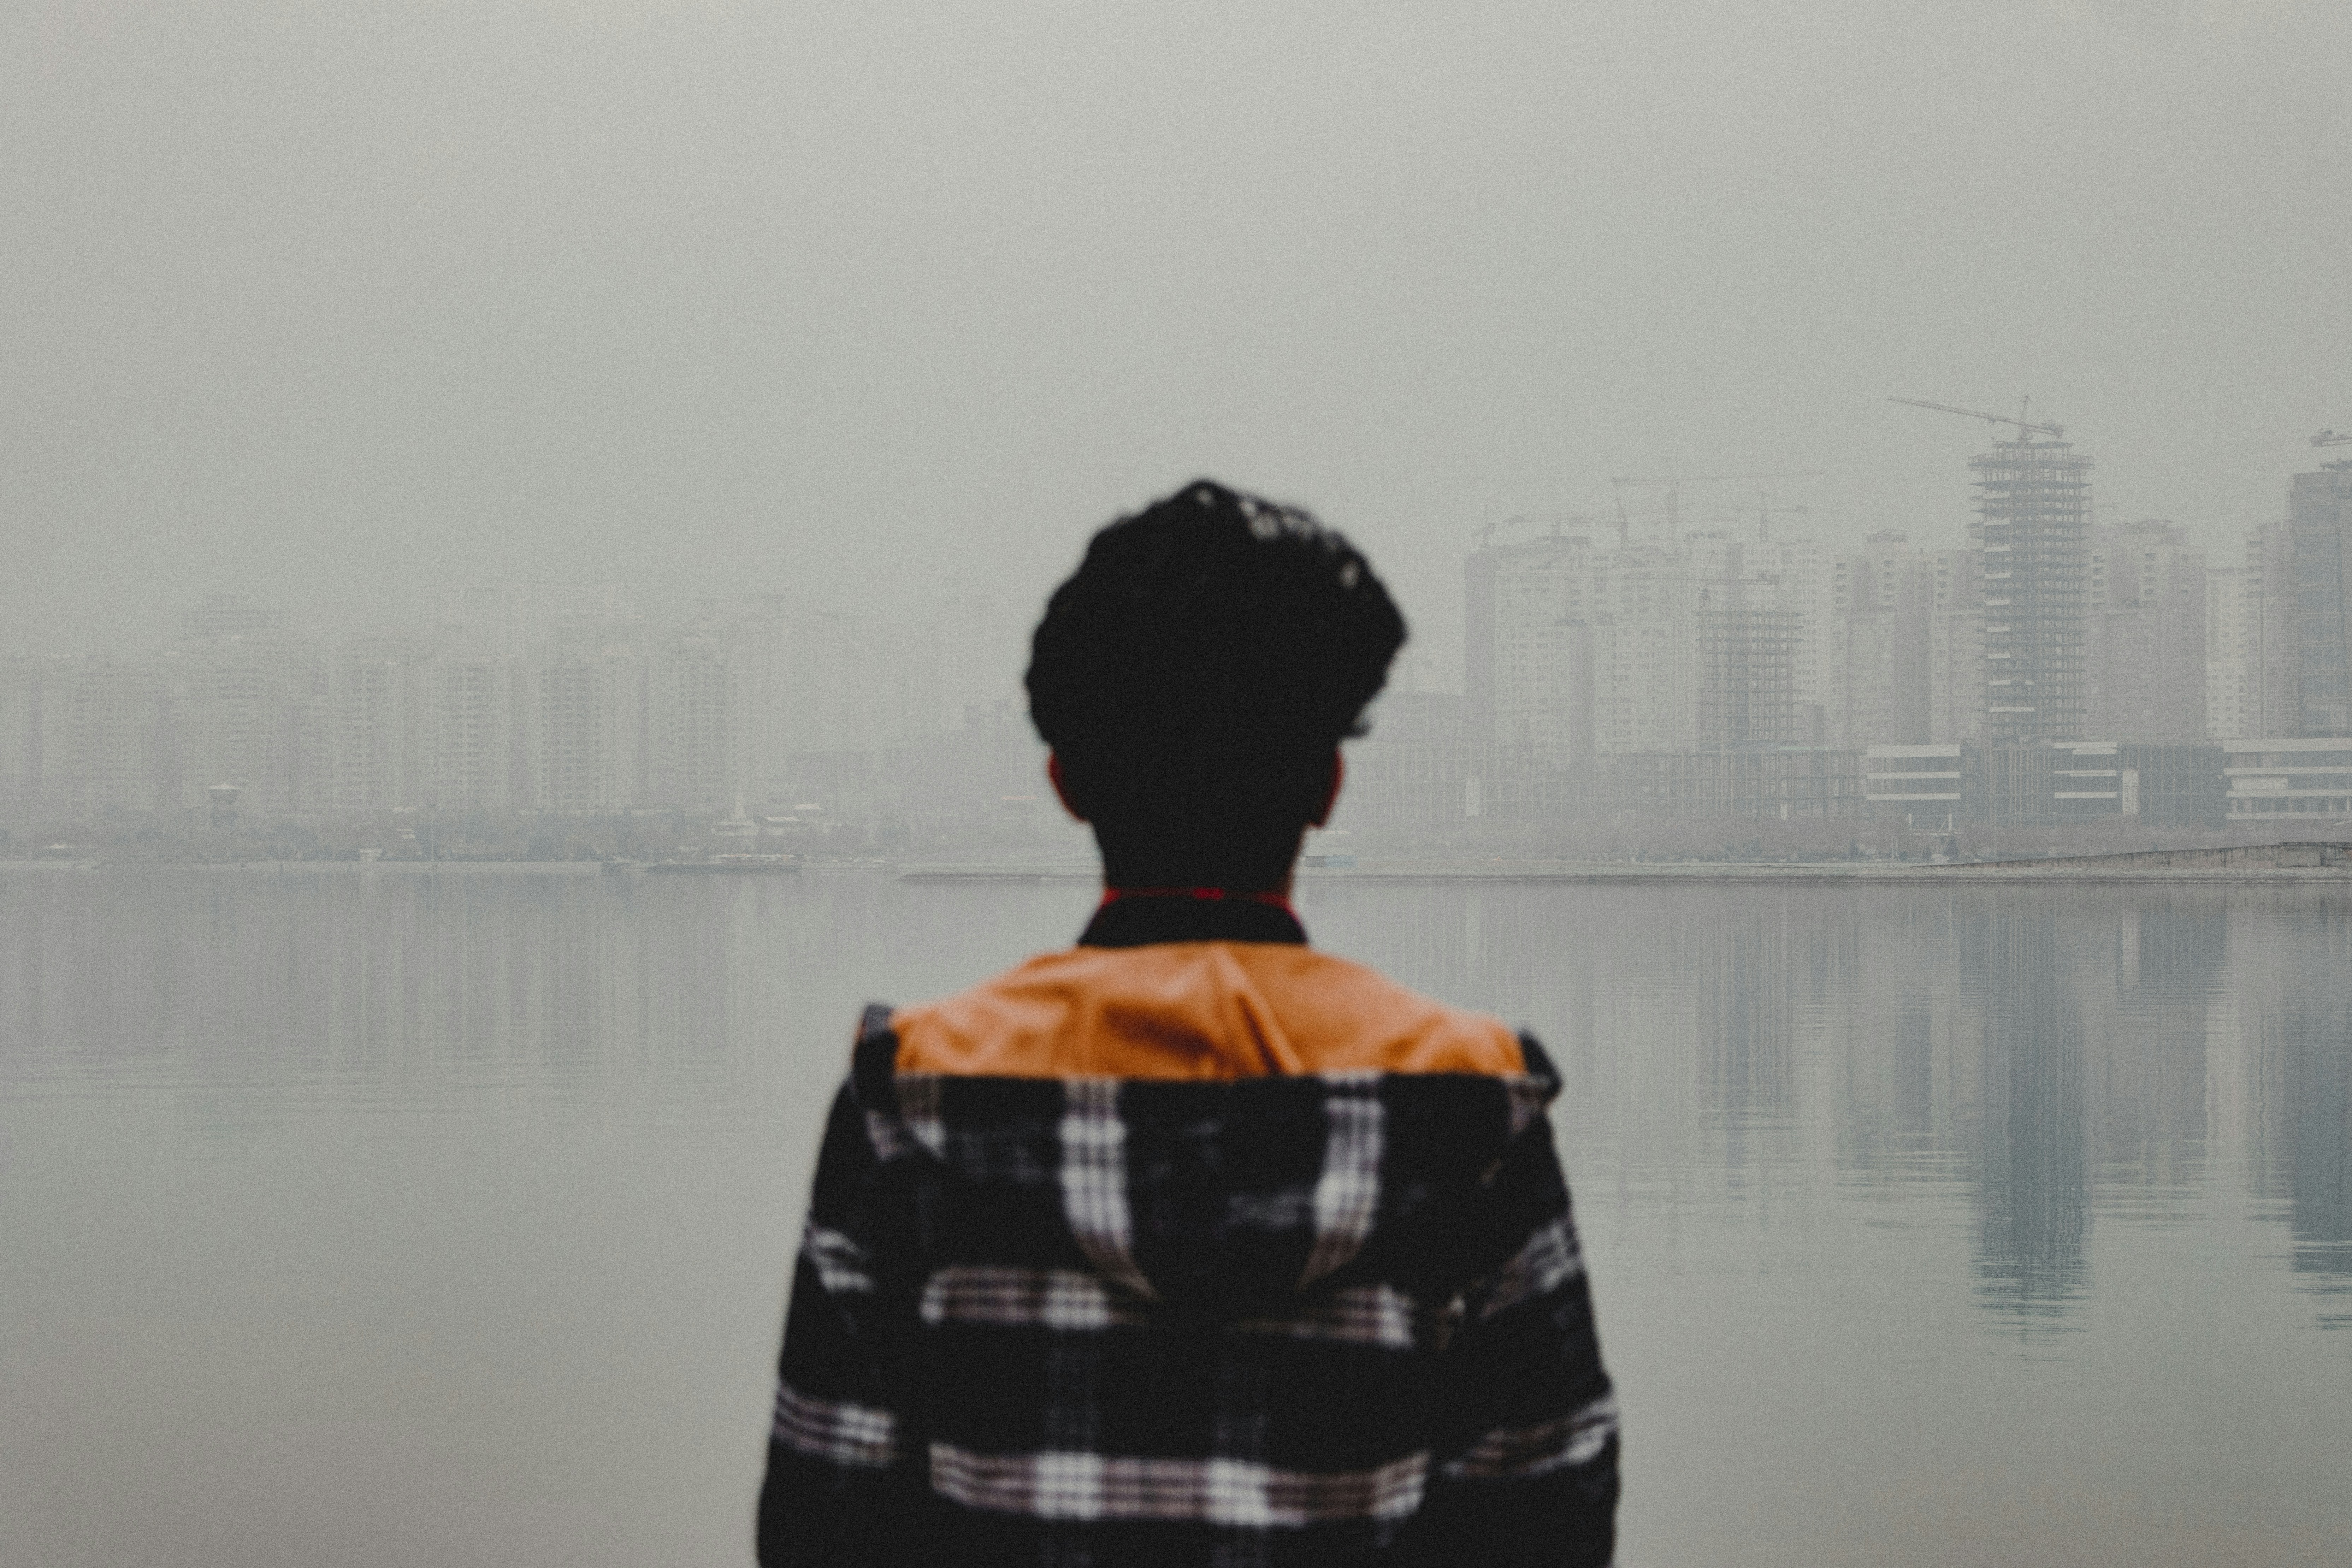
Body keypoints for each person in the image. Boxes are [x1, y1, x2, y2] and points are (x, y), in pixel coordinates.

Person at [756, 479, 1619, 1566]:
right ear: (1326, 786)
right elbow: (1547, 1531)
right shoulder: (1468, 1106)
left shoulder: (914, 1099)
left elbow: (822, 1529)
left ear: (1066, 783)